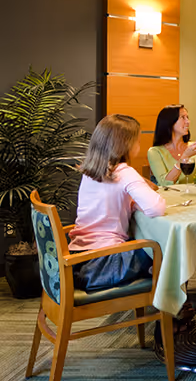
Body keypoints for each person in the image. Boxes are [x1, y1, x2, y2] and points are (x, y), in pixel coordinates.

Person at [68, 114, 166, 292]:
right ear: (125, 145)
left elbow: (110, 200)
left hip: (79, 261)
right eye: (137, 141)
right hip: (105, 264)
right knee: (166, 247)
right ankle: (175, 309)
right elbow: (156, 208)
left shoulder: (91, 170)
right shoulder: (125, 172)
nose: (139, 145)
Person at [147, 104, 196, 186]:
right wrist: (185, 157)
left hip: (195, 197)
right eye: (182, 117)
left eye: (187, 117)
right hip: (169, 198)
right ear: (170, 122)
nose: (188, 122)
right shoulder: (155, 152)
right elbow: (164, 183)